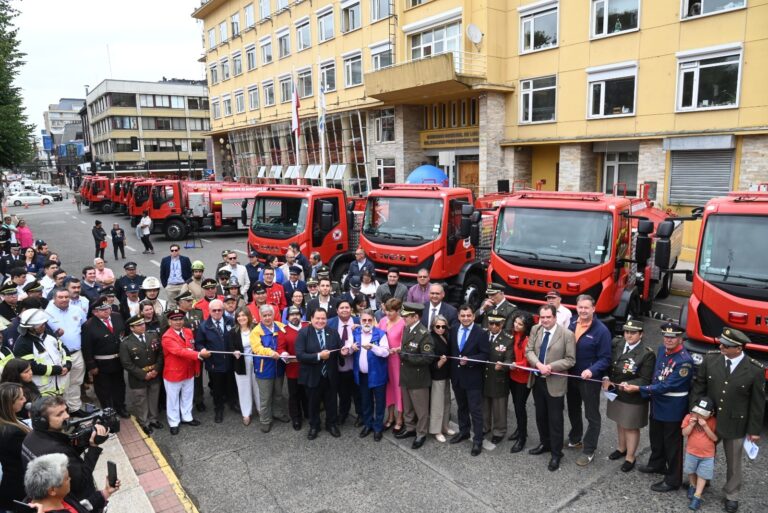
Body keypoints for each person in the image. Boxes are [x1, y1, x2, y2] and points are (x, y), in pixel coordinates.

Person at [690, 327, 765, 513]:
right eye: (721, 343)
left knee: (734, 462)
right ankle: (702, 482)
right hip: (710, 420)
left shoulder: (754, 370)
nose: (721, 346)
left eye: (726, 345)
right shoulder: (711, 359)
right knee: (704, 454)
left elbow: (757, 403)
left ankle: (732, 495)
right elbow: (699, 386)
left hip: (735, 423)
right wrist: (694, 411)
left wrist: (754, 431)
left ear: (738, 348)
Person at [622, 322, 694, 493]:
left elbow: (666, 386)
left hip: (672, 407)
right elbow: (657, 375)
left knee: (672, 444)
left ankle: (673, 479)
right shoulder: (662, 350)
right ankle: (657, 463)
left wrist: (639, 388)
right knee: (656, 437)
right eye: (666, 336)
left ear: (680, 339)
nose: (668, 340)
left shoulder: (684, 361)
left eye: (673, 337)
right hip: (657, 403)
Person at [21, 396, 111, 505]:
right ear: (42, 421)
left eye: (65, 410)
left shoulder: (29, 437)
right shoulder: (57, 451)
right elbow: (82, 481)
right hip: (77, 501)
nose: (67, 416)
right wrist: (94, 447)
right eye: (59, 414)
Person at [525, 303, 576, 472]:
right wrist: (539, 365)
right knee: (540, 415)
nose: (545, 320)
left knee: (555, 420)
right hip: (538, 380)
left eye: (548, 317)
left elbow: (570, 360)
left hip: (555, 382)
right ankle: (544, 444)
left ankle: (556, 454)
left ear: (555, 318)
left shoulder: (567, 335)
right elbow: (529, 350)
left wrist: (550, 367)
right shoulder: (535, 329)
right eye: (542, 317)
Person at [602, 319, 656, 472]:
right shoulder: (617, 344)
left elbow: (645, 378)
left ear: (641, 334)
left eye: (633, 333)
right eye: (627, 332)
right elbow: (607, 363)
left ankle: (630, 457)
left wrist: (631, 384)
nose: (629, 335)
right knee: (620, 421)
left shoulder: (647, 354)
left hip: (632, 395)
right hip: (615, 391)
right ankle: (621, 448)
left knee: (630, 426)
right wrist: (606, 378)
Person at [566, 294, 612, 466]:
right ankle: (576, 437)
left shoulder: (601, 331)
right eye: (580, 307)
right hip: (570, 375)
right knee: (572, 408)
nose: (583, 311)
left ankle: (589, 449)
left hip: (589, 379)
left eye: (586, 307)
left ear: (593, 309)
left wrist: (591, 370)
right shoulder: (572, 322)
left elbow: (606, 358)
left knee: (592, 415)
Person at [295, 308, 342, 440]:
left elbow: (339, 349)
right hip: (312, 375)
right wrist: (318, 356)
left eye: (323, 318)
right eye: (318, 318)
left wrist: (343, 352)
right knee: (313, 403)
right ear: (311, 319)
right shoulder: (303, 333)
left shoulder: (332, 332)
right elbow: (300, 355)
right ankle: (314, 426)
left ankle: (331, 424)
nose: (320, 321)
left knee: (331, 402)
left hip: (330, 374)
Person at [449, 305, 489, 456]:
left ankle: (478, 440)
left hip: (473, 379)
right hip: (457, 377)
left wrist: (470, 360)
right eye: (463, 315)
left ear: (473, 316)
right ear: (458, 316)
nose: (465, 318)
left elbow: (485, 355)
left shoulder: (480, 333)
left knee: (475, 410)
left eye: (468, 315)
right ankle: (464, 431)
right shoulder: (453, 329)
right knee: (461, 407)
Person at [162, 308, 210, 435]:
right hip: (174, 373)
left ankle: (187, 417)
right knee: (173, 399)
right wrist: (199, 354)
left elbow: (191, 347)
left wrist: (196, 368)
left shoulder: (188, 332)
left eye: (180, 319)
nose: (178, 322)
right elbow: (179, 351)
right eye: (175, 320)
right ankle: (174, 422)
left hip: (188, 371)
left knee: (187, 396)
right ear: (169, 322)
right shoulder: (167, 337)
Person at [22, 452, 119, 513]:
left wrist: (106, 492)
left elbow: (82, 507)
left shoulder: (61, 497)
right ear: (52, 490)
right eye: (67, 478)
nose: (70, 479)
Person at [394, 302, 433, 450]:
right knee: (408, 406)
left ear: (415, 317)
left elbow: (428, 358)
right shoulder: (407, 328)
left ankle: (421, 433)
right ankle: (410, 428)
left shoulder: (424, 334)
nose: (404, 319)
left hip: (418, 378)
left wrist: (406, 357)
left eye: (406, 317)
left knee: (421, 409)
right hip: (406, 375)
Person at [82, 297, 128, 417]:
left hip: (118, 361)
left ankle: (120, 407)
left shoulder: (117, 317)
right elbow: (87, 348)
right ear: (94, 312)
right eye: (102, 310)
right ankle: (109, 412)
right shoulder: (88, 325)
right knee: (104, 390)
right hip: (101, 364)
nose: (107, 311)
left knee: (119, 386)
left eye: (108, 308)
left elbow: (124, 335)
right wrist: (91, 366)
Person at [44, 288, 86, 415]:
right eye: (60, 297)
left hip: (77, 353)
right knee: (62, 385)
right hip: (60, 357)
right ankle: (63, 412)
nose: (64, 300)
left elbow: (83, 327)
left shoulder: (77, 310)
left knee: (76, 382)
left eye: (66, 297)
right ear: (54, 299)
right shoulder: (47, 313)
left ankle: (75, 408)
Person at [119, 315, 164, 435]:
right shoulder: (126, 343)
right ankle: (145, 422)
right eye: (138, 325)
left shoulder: (153, 336)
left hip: (154, 374)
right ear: (132, 328)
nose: (142, 326)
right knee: (141, 400)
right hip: (138, 378)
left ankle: (153, 419)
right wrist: (144, 375)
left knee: (153, 398)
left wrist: (156, 370)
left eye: (143, 324)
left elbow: (160, 354)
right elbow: (126, 363)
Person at [13, 309, 71, 397]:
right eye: (41, 325)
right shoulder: (22, 344)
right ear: (31, 327)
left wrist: (67, 365)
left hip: (60, 386)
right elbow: (31, 367)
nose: (44, 326)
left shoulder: (49, 335)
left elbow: (63, 349)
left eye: (45, 323)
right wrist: (58, 370)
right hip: (42, 391)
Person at [249, 304, 289, 432]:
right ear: (260, 316)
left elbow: (288, 340)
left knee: (278, 393)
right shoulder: (256, 331)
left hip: (279, 367)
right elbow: (256, 348)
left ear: (273, 315)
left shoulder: (281, 327)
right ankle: (265, 420)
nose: (267, 318)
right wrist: (270, 352)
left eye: (269, 315)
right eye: (264, 315)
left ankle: (277, 413)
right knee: (265, 397)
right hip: (264, 368)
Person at [194, 299, 235, 424]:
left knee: (231, 385)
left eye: (220, 310)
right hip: (214, 363)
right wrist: (203, 349)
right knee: (217, 389)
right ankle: (219, 409)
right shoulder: (203, 326)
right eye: (214, 310)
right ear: (209, 311)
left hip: (230, 361)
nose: (217, 312)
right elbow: (199, 343)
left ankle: (232, 403)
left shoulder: (231, 321)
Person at [352, 309, 388, 441]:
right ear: (360, 321)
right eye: (364, 320)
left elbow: (385, 353)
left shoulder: (381, 334)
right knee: (365, 402)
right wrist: (351, 347)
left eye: (369, 320)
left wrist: (373, 347)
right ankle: (368, 424)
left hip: (378, 374)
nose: (366, 323)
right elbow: (349, 347)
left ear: (373, 320)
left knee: (379, 402)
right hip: (362, 375)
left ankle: (378, 427)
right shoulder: (355, 332)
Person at [483, 310, 514, 445]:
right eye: (491, 323)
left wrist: (503, 365)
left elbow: (510, 359)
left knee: (499, 407)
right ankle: (485, 427)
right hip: (483, 376)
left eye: (497, 324)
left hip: (498, 377)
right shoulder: (483, 334)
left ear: (502, 323)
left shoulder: (508, 339)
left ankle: (499, 431)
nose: (493, 326)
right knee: (484, 404)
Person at [682, 397, 718, 511]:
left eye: (703, 414)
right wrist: (691, 425)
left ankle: (697, 496)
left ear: (711, 414)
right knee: (691, 471)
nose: (699, 416)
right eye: (697, 412)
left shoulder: (712, 421)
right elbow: (684, 433)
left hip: (707, 456)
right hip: (691, 452)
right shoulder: (689, 418)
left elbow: (714, 438)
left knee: (702, 475)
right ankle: (692, 485)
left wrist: (705, 426)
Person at [328, 299, 360, 426]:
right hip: (339, 365)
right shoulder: (330, 323)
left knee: (358, 392)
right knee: (343, 392)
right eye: (342, 308)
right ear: (337, 311)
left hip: (356, 364)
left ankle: (361, 415)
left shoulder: (358, 321)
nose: (345, 310)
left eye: (347, 307)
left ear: (351, 309)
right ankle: (343, 413)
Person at [227, 307, 260, 426]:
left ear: (248, 316)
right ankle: (246, 413)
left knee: (258, 386)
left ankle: (262, 410)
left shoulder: (256, 328)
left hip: (257, 361)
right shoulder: (233, 331)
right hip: (241, 362)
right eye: (239, 316)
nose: (241, 318)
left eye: (243, 315)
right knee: (243, 388)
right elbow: (229, 347)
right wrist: (234, 351)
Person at [0, 382, 30, 510]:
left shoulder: (9, 423)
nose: (25, 400)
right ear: (9, 404)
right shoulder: (12, 433)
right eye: (21, 398)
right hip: (17, 491)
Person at [507, 312, 534, 453]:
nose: (516, 325)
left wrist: (515, 363)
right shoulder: (515, 333)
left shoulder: (528, 339)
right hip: (513, 375)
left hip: (523, 378)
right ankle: (519, 429)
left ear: (526, 327)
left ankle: (522, 437)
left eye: (520, 324)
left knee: (519, 406)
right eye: (515, 322)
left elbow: (528, 361)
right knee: (517, 405)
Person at [427, 314, 454, 443]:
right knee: (437, 404)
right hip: (437, 376)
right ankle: (436, 430)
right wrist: (440, 363)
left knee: (447, 401)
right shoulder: (431, 338)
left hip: (446, 374)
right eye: (438, 326)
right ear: (433, 326)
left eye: (443, 326)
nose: (441, 329)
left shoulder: (446, 336)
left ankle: (445, 426)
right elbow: (429, 361)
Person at [379, 297, 404, 432]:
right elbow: (375, 334)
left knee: (398, 389)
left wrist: (398, 349)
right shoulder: (382, 321)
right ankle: (390, 416)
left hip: (396, 361)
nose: (388, 314)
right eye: (386, 310)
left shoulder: (403, 323)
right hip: (384, 360)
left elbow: (404, 343)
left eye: (391, 311)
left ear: (398, 310)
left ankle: (400, 417)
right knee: (387, 389)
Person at [281, 306, 308, 430]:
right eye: (292, 315)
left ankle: (308, 412)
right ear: (287, 318)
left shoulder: (307, 326)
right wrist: (283, 354)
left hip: (308, 367)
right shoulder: (284, 331)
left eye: (297, 314)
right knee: (294, 394)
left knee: (307, 392)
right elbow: (280, 348)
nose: (295, 317)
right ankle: (296, 417)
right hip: (293, 369)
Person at [160, 244, 192, 310]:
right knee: (172, 305)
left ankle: (185, 318)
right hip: (171, 286)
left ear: (179, 251)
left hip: (182, 285)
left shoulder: (185, 259)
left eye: (176, 250)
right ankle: (175, 318)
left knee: (184, 303)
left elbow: (190, 272)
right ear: (170, 251)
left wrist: (188, 284)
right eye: (172, 250)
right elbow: (162, 273)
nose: (174, 252)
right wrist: (165, 286)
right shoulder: (165, 260)